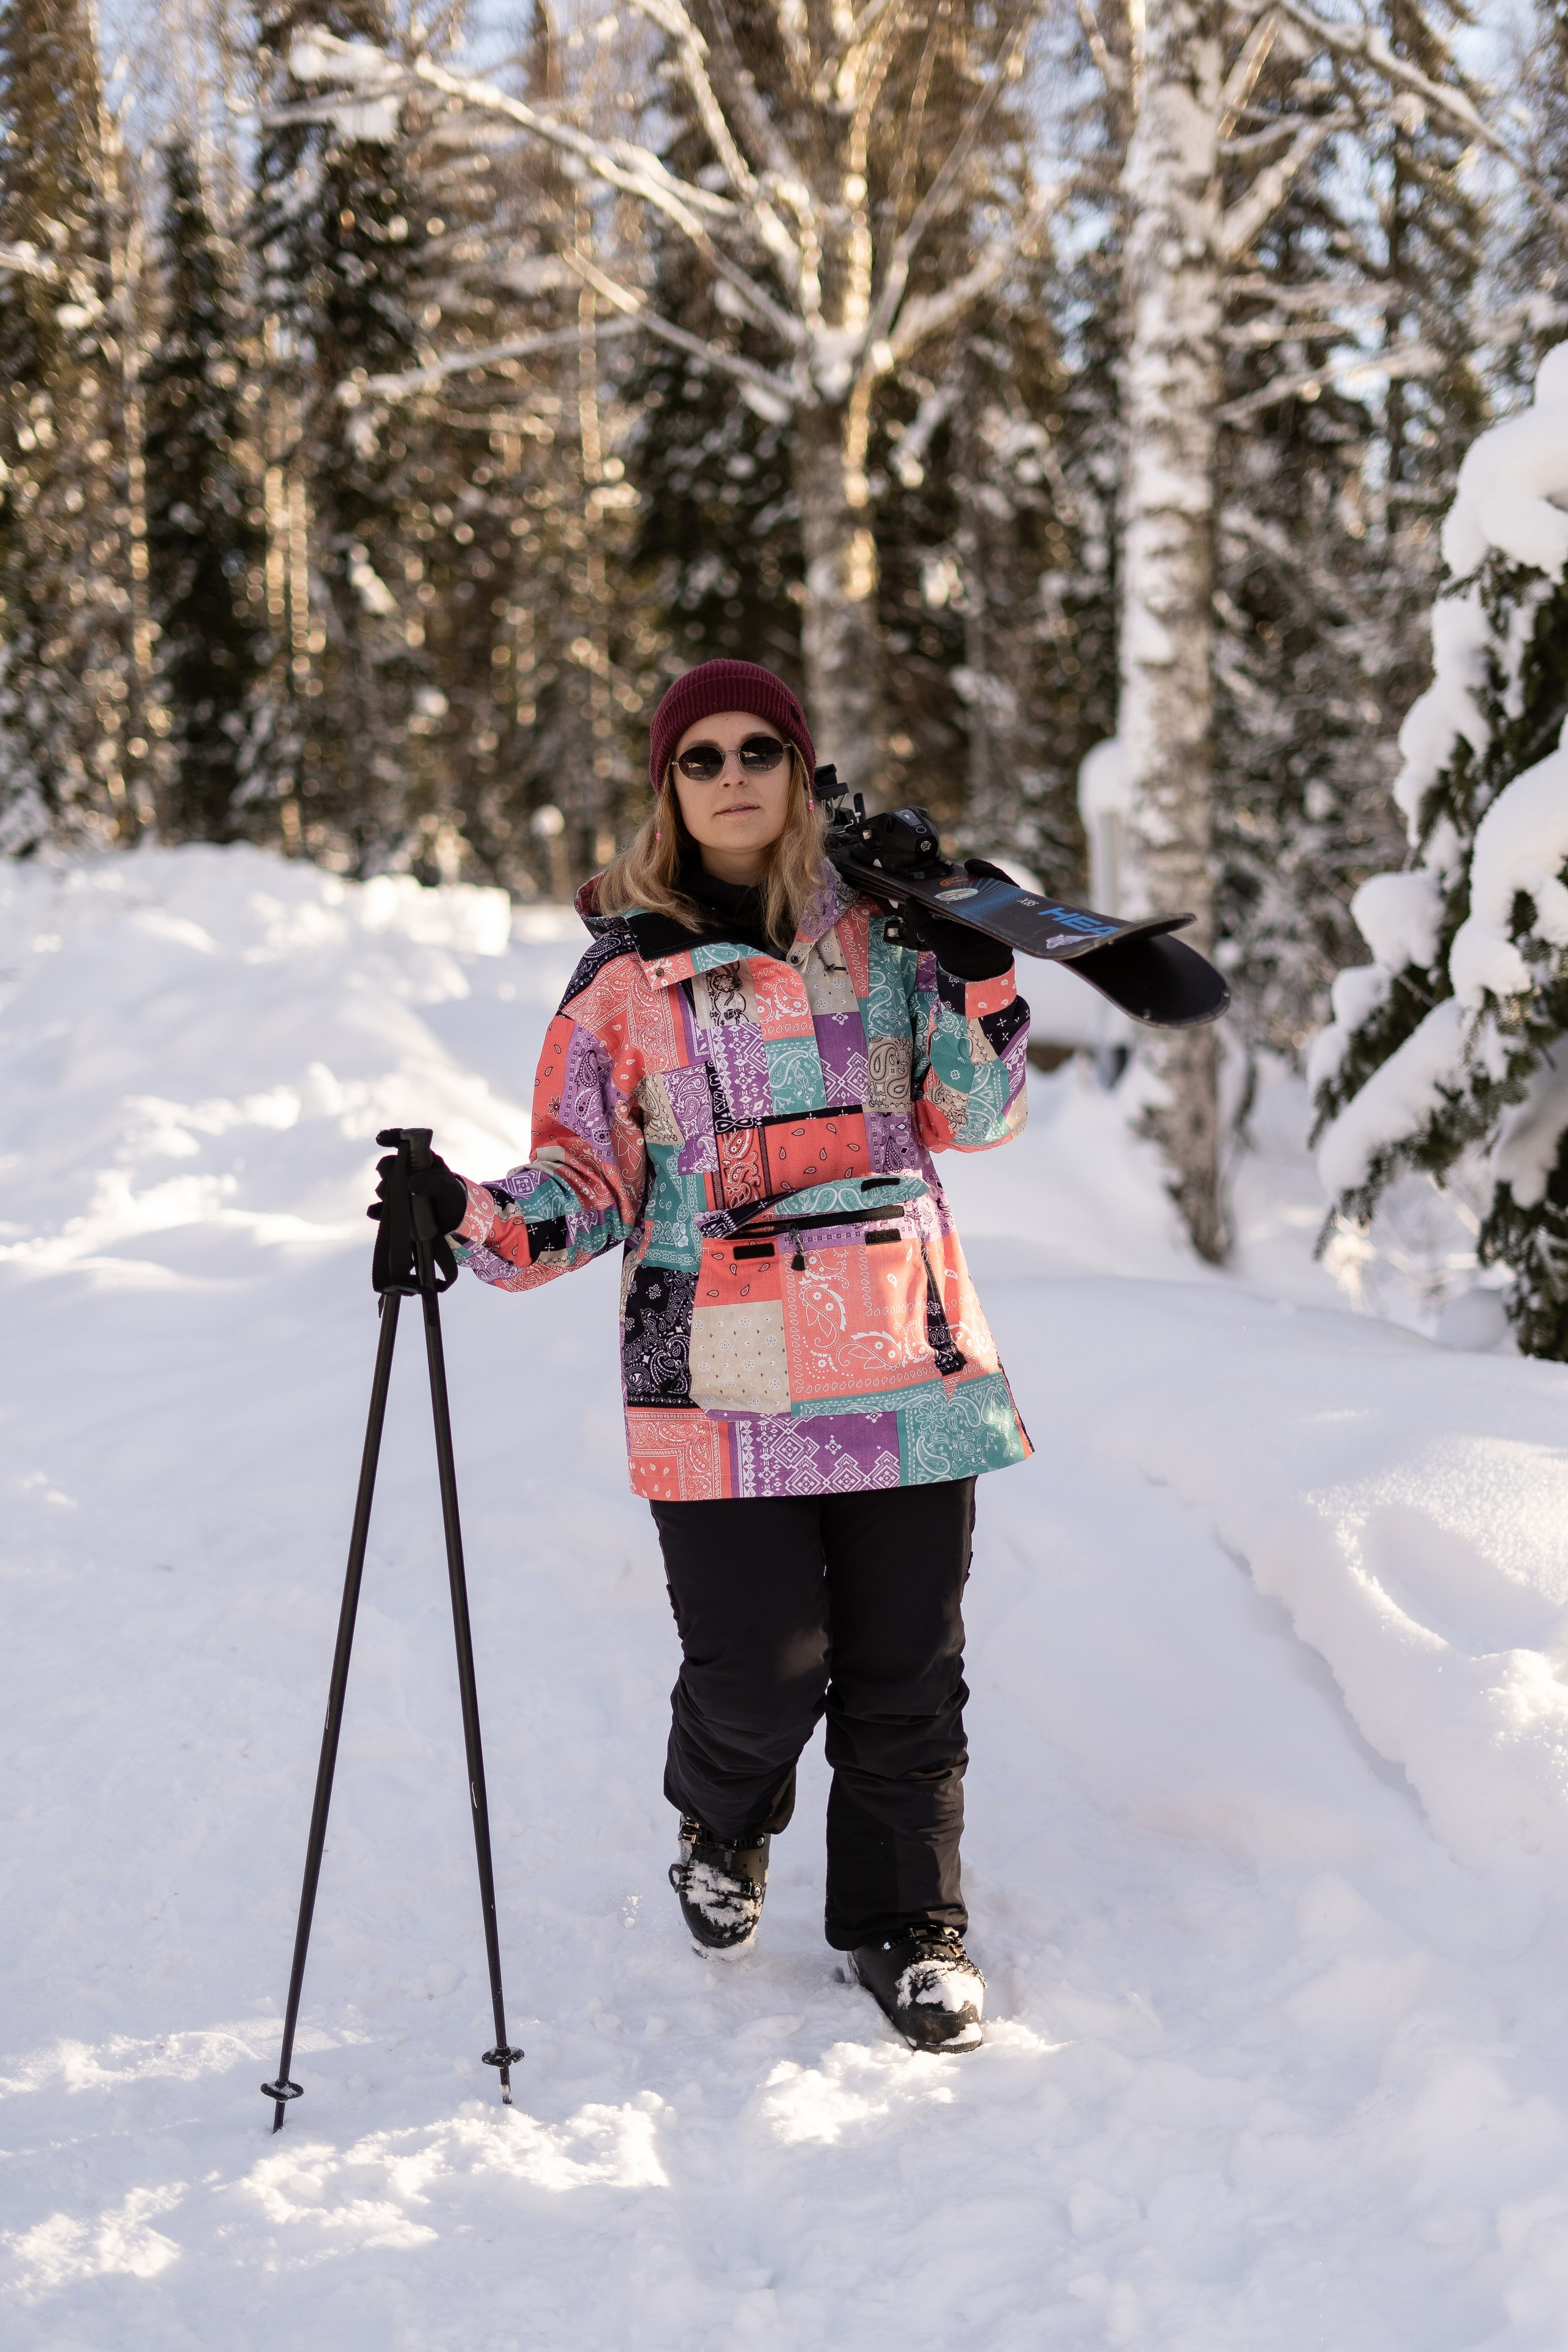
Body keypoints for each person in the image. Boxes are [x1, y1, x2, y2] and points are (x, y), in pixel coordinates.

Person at [386, 658, 1032, 2052]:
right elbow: (590, 1177)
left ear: (799, 772)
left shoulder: (895, 936)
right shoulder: (624, 975)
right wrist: (478, 1218)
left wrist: (979, 969)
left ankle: (908, 1925)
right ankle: (722, 1819)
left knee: (906, 1667)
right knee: (760, 1666)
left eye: (758, 750)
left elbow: (971, 1118)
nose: (731, 775)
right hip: (718, 1371)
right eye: (701, 757)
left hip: (899, 1357)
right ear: (668, 788)